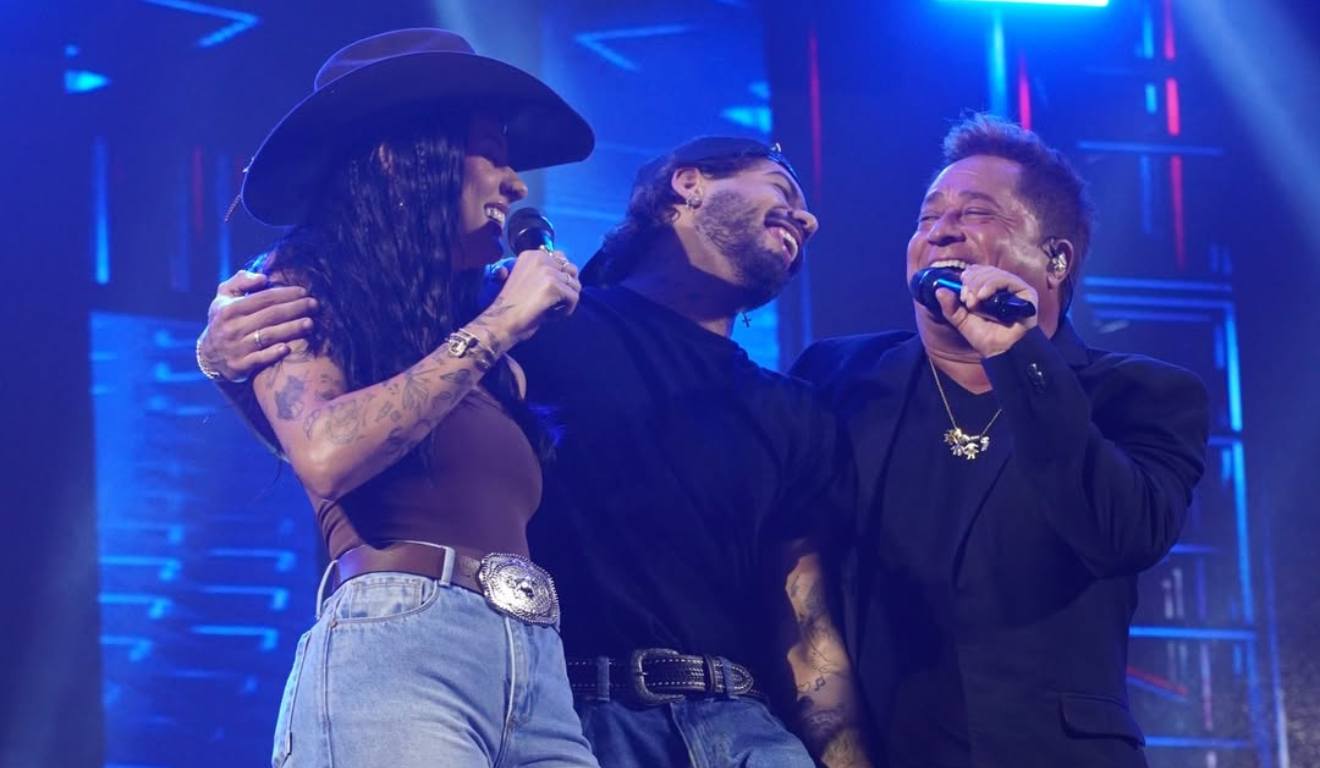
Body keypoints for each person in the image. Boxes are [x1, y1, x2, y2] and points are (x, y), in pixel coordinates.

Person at [200, 137, 872, 767]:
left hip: (699, 710)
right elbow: (353, 441)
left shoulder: (793, 410)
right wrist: (236, 372)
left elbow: (806, 617)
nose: (806, 219)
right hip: (571, 693)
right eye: (781, 184)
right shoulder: (536, 319)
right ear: (688, 185)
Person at [212, 28, 600, 768]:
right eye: (492, 149)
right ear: (401, 158)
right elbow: (327, 453)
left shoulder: (484, 351)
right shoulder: (301, 284)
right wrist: (500, 323)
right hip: (400, 642)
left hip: (537, 668)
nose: (516, 183)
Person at [791, 114, 1210, 767]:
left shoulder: (1140, 394)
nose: (942, 229)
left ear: (1055, 257)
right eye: (928, 216)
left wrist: (1018, 354)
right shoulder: (838, 377)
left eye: (977, 213)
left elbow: (1121, 534)